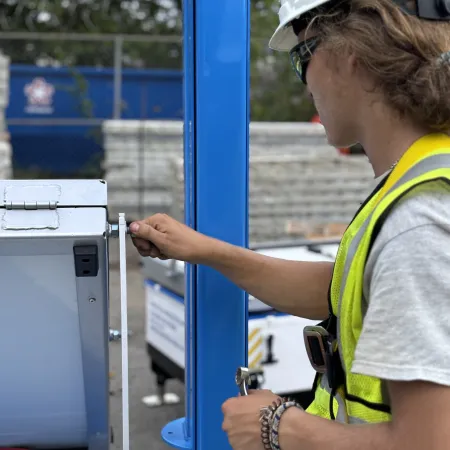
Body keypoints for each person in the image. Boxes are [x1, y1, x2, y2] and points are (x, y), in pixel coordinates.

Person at [130, 0, 450, 448]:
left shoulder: (419, 219)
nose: (305, 84)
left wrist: (278, 425)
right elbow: (343, 291)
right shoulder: (426, 173)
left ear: (349, 51)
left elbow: (427, 442)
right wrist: (204, 250)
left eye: (303, 57)